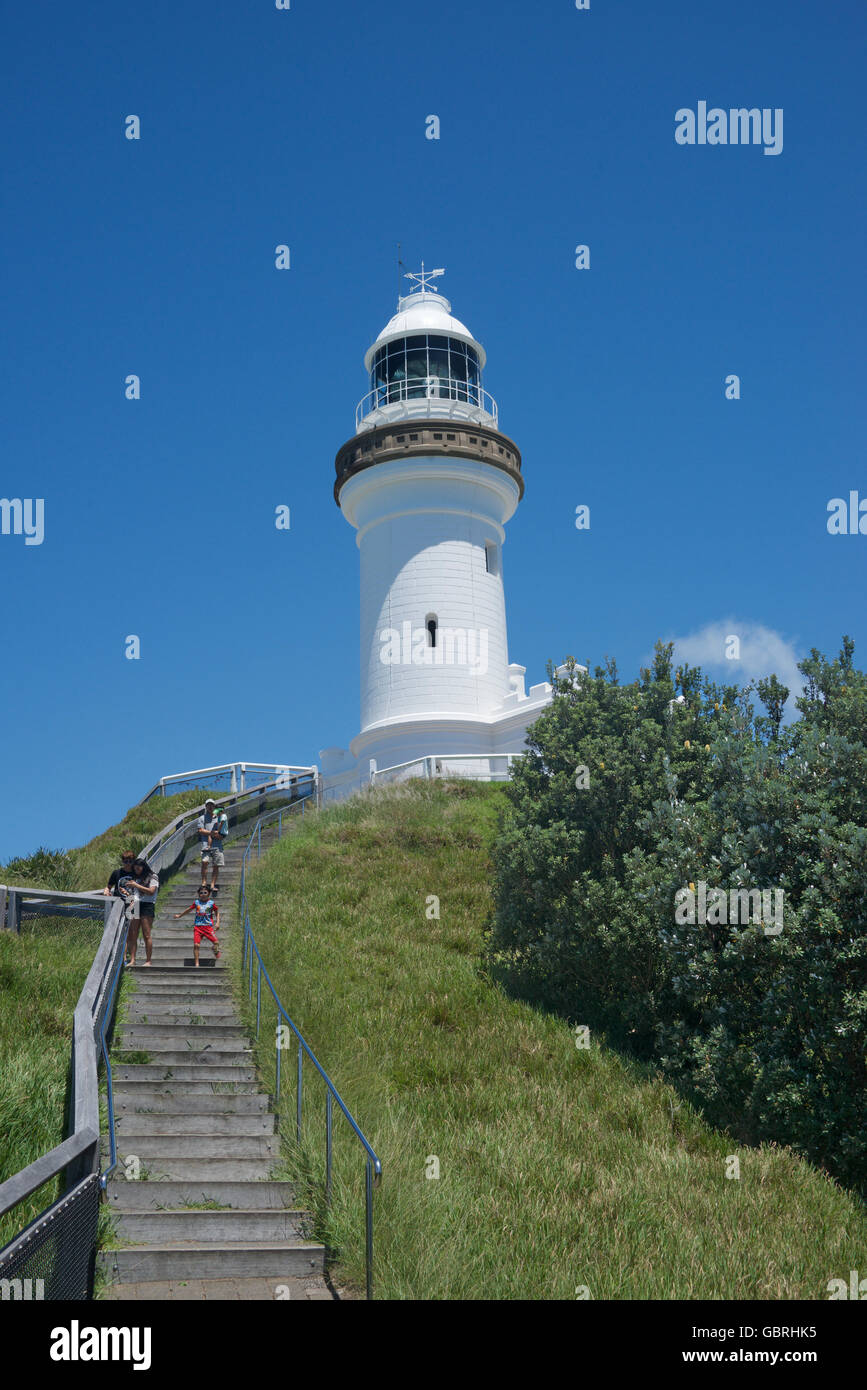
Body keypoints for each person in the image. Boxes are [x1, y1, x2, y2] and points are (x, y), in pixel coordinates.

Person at [174, 887, 220, 968]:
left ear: (208, 894)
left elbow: (217, 911)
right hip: (198, 927)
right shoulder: (197, 903)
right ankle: (197, 963)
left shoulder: (211, 903)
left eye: (205, 893)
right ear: (198, 894)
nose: (203, 895)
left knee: (216, 943)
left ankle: (215, 950)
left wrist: (218, 922)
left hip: (208, 927)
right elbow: (189, 909)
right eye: (201, 893)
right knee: (196, 945)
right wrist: (179, 915)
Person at [127, 857, 159, 967]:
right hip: (135, 904)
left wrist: (136, 885)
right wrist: (130, 900)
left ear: (143, 867)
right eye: (135, 869)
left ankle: (148, 961)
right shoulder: (135, 878)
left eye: (138, 868)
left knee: (146, 934)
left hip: (147, 905)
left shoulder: (153, 876)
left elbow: (151, 891)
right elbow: (133, 893)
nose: (137, 871)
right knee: (133, 934)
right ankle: (132, 960)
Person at [196, 798, 227, 892]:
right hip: (206, 844)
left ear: (214, 806)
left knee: (216, 865)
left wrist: (220, 835)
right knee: (204, 862)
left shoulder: (219, 817)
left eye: (212, 805)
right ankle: (204, 882)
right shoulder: (202, 818)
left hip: (217, 844)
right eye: (208, 805)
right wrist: (211, 833)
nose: (210, 807)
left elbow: (223, 830)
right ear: (206, 807)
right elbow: (200, 830)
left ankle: (212, 884)